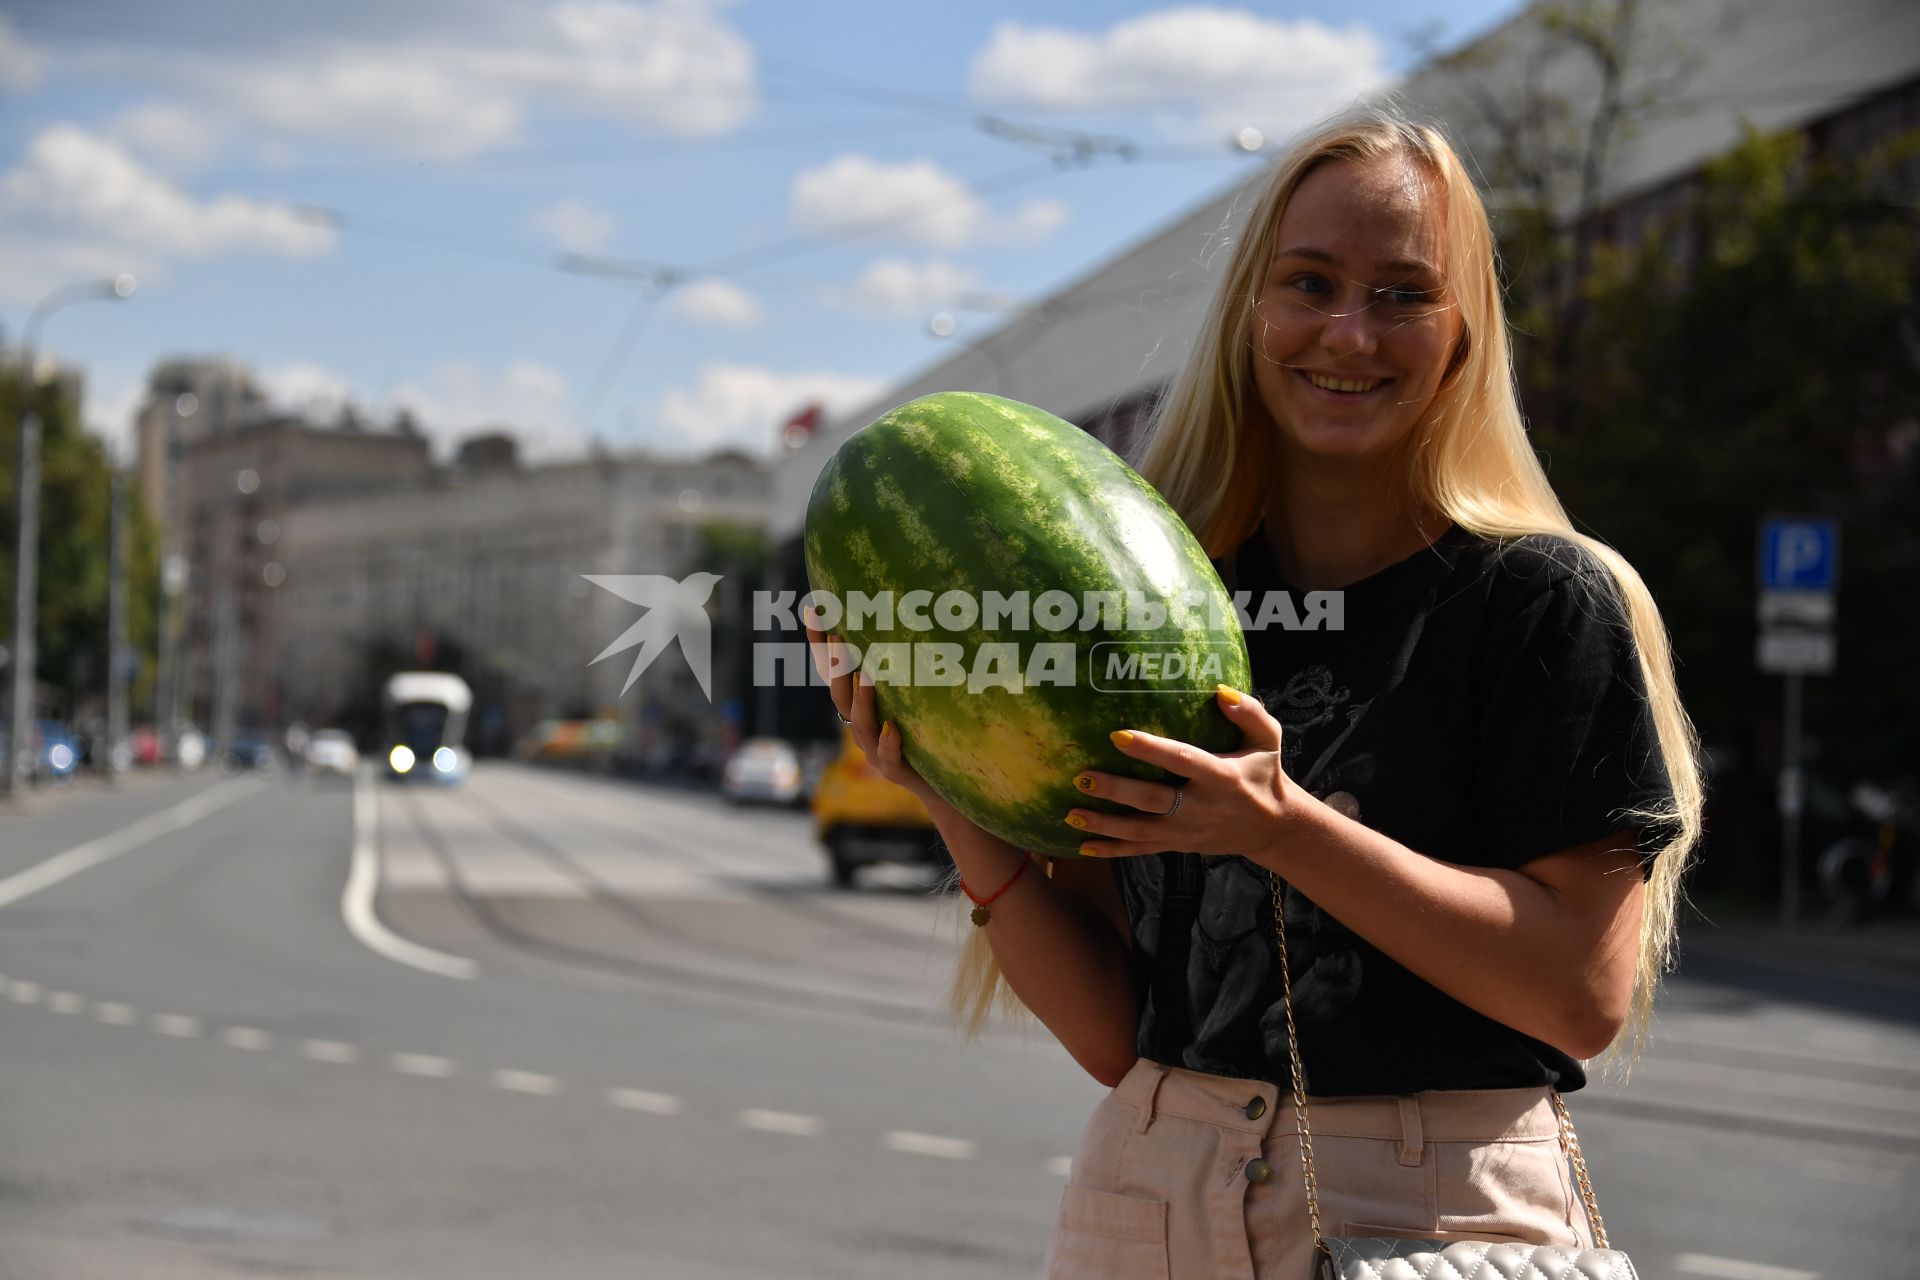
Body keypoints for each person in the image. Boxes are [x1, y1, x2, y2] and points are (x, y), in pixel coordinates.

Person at [808, 104, 1701, 1279]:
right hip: (1155, 1185)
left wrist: (1283, 830)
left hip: (1429, 1217)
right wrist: (945, 788)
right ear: (1248, 313)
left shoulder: (1539, 601)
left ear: (1466, 333)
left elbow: (1581, 994)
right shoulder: (1156, 608)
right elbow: (1121, 1033)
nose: (1348, 331)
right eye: (1310, 282)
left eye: (1402, 294)